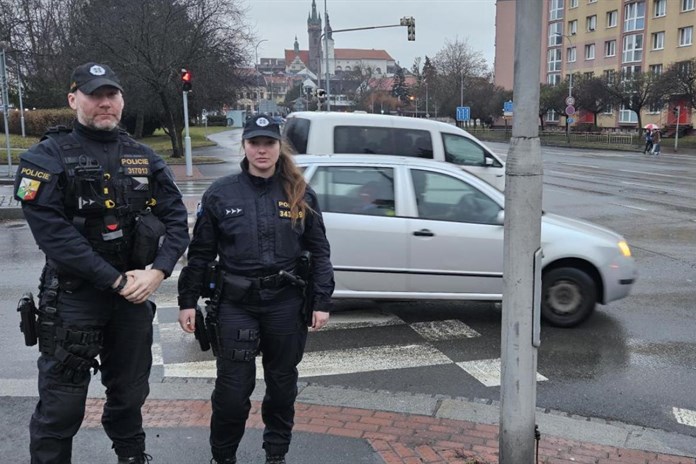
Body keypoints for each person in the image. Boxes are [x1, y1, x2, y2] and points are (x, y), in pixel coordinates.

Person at [14, 62, 190, 464]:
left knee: (130, 397)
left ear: (122, 101)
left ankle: (132, 457)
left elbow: (177, 221)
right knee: (61, 407)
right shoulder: (44, 158)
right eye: (95, 95)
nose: (105, 103)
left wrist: (158, 271)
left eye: (112, 95)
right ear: (73, 100)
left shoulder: (145, 157)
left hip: (133, 297)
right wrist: (114, 280)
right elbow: (54, 236)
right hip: (74, 298)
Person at [177, 114, 334, 464]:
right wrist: (187, 301)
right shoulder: (221, 193)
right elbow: (200, 254)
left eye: (269, 143)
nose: (261, 150)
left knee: (282, 388)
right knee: (232, 393)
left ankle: (275, 454)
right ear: (244, 146)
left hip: (285, 303)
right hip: (236, 304)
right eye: (254, 143)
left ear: (279, 147)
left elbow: (320, 251)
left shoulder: (300, 192)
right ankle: (223, 456)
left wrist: (321, 300)